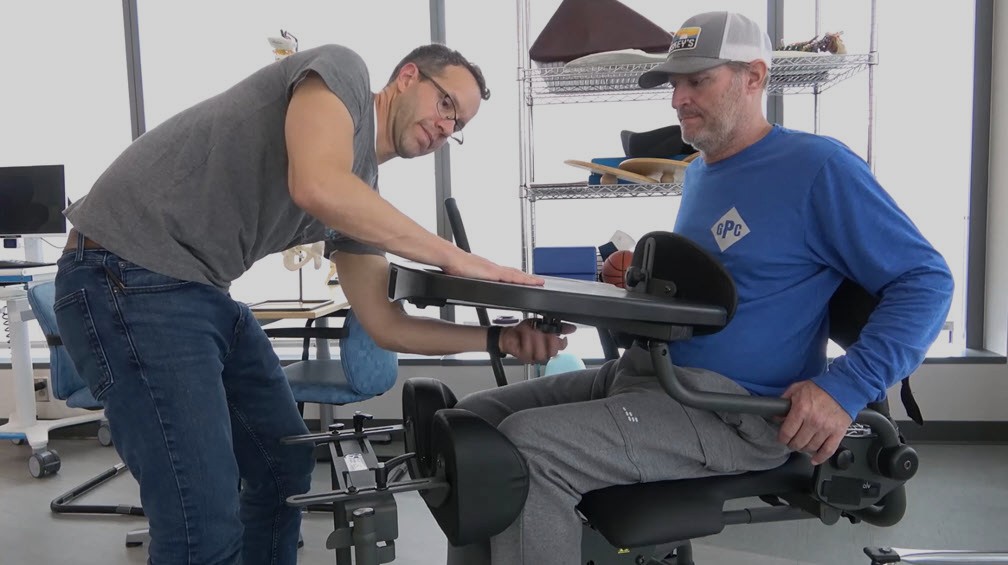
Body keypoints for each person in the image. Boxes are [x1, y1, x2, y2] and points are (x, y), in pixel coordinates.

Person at [447, 11, 954, 565]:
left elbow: (926, 280)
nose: (677, 99)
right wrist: (643, 277)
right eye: (673, 83)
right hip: (650, 377)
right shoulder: (703, 171)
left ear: (754, 77)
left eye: (697, 80)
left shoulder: (818, 167)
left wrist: (844, 387)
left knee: (529, 447)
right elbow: (736, 277)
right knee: (473, 426)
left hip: (731, 409)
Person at [53, 43, 572, 565]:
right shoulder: (341, 72)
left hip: (198, 288)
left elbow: (384, 323)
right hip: (123, 273)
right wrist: (458, 258)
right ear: (407, 77)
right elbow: (316, 184)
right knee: (201, 528)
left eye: (457, 123)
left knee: (284, 466)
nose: (445, 126)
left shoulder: (359, 188)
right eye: (445, 103)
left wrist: (496, 339)